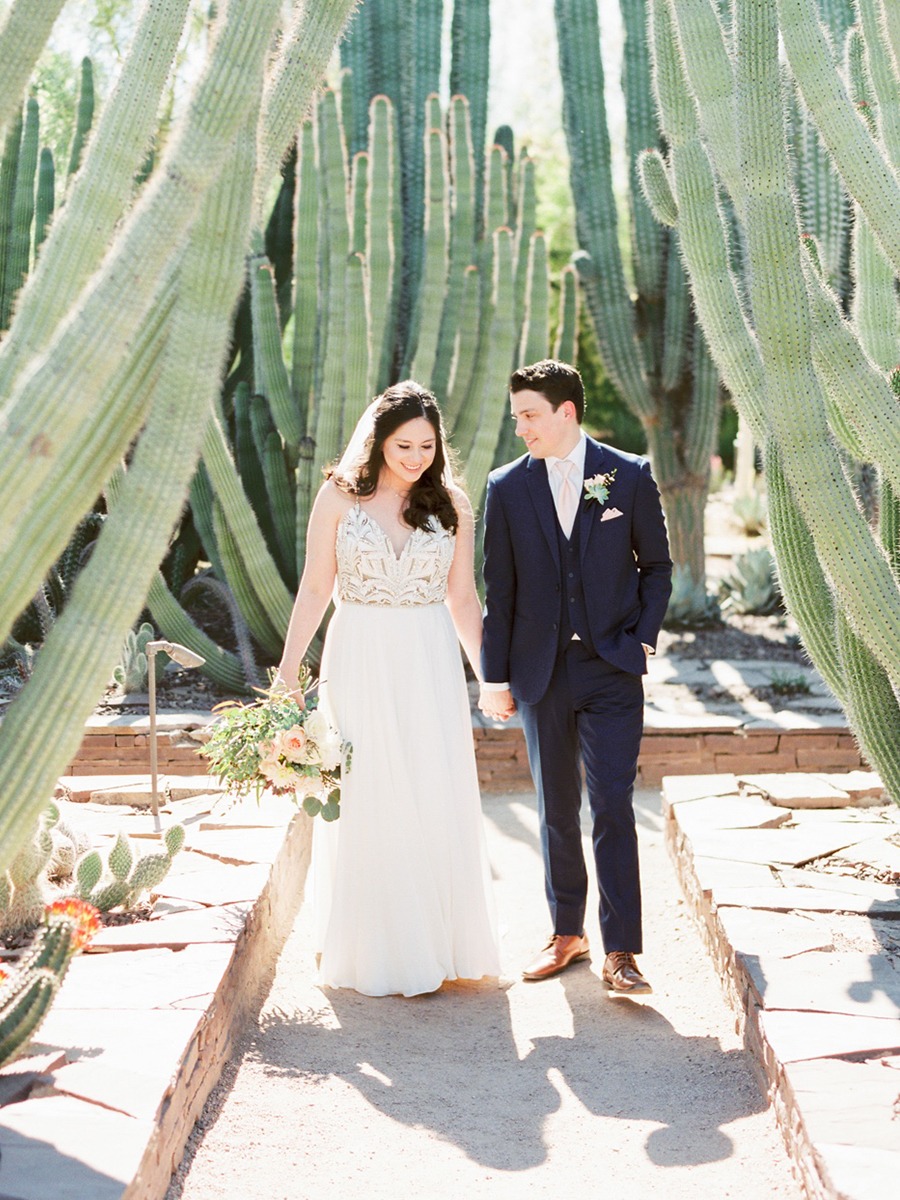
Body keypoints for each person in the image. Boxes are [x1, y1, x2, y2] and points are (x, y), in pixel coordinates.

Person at [276, 381, 500, 998]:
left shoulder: (452, 503)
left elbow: (461, 597)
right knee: (370, 790)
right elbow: (316, 587)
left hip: (427, 658)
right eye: (404, 445)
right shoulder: (339, 498)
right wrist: (290, 669)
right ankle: (377, 947)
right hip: (359, 658)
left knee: (431, 787)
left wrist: (489, 677)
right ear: (378, 441)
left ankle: (437, 945)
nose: (416, 457)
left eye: (427, 445)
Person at [479, 359, 672, 996]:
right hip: (541, 673)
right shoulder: (506, 487)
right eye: (516, 418)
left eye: (530, 415)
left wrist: (642, 638)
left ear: (567, 412)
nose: (521, 429)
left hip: (612, 667)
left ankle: (622, 950)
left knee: (613, 804)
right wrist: (496, 676)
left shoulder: (629, 476)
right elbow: (499, 593)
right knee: (556, 807)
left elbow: (658, 568)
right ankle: (568, 932)